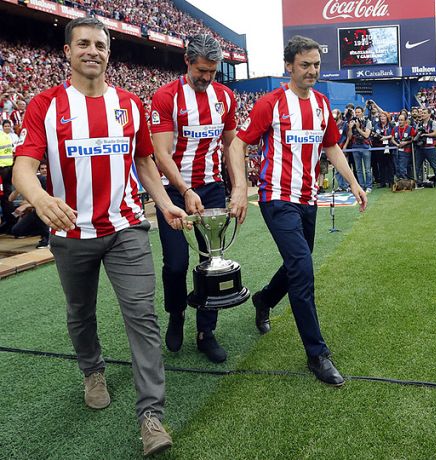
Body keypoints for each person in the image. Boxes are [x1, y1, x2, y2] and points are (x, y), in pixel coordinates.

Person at [11, 17, 184, 456]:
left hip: (126, 227)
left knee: (142, 316)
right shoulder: (45, 105)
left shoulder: (129, 103)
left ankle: (151, 415)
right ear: (67, 52)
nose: (93, 50)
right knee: (79, 311)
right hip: (71, 232)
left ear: (109, 53)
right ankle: (93, 371)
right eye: (83, 43)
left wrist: (165, 203)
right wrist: (40, 198)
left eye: (100, 45)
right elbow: (23, 168)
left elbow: (145, 161)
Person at [229, 35, 367, 387]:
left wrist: (352, 182)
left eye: (316, 64)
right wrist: (241, 189)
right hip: (277, 199)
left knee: (296, 265)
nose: (312, 71)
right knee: (304, 269)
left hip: (308, 200)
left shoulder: (321, 104)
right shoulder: (271, 104)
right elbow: (238, 144)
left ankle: (264, 299)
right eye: (305, 65)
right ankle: (316, 354)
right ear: (289, 66)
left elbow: (332, 146)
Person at [149, 34, 246, 364]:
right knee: (175, 263)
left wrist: (238, 189)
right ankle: (176, 314)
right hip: (175, 191)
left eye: (213, 72)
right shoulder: (166, 97)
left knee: (212, 262)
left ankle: (207, 331)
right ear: (187, 62)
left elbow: (233, 146)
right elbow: (160, 154)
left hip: (211, 187)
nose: (206, 78)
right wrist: (185, 190)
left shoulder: (226, 97)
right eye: (201, 70)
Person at [414, 107, 436, 190]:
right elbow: (416, 133)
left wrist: (425, 134)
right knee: (417, 166)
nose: (422, 114)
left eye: (424, 113)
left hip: (430, 148)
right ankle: (419, 183)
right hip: (420, 148)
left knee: (434, 166)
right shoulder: (419, 124)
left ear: (429, 114)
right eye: (422, 113)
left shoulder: (433, 123)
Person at [347, 106, 373, 192]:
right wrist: (350, 128)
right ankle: (361, 186)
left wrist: (358, 128)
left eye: (359, 112)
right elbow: (350, 137)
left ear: (362, 112)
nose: (357, 114)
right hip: (355, 147)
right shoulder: (352, 122)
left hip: (365, 147)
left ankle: (369, 186)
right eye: (356, 112)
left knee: (367, 169)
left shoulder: (368, 121)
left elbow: (366, 135)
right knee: (358, 169)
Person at [391, 113, 415, 180]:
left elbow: (413, 139)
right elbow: (392, 138)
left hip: (406, 151)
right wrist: (397, 144)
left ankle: (405, 182)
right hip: (396, 151)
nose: (400, 121)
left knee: (402, 168)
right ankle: (400, 183)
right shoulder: (395, 128)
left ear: (405, 121)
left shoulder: (410, 128)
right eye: (399, 120)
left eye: (401, 120)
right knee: (397, 168)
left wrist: (406, 142)